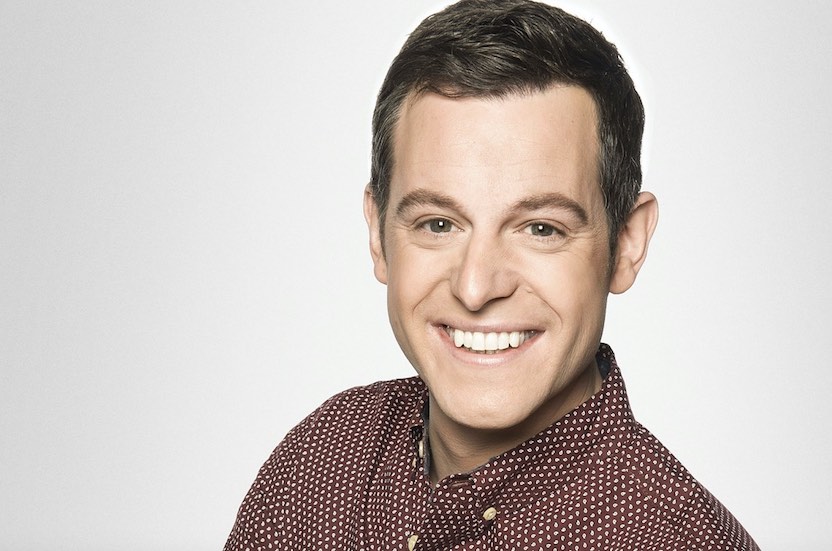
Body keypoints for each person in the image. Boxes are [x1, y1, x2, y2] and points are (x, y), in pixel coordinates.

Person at [224, 0, 759, 548]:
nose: (476, 288)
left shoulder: (681, 539)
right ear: (378, 233)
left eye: (541, 229)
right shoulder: (318, 468)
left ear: (626, 245)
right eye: (438, 224)